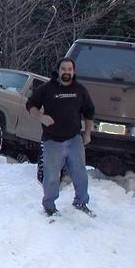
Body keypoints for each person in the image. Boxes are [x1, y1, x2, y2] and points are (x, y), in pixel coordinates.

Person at [26, 57, 95, 217]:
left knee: (80, 174)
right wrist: (41, 116)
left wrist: (87, 133)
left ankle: (81, 202)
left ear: (74, 71)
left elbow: (89, 111)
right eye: (64, 69)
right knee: (51, 177)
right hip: (52, 140)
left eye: (70, 69)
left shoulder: (80, 90)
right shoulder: (47, 89)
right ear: (58, 71)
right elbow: (30, 105)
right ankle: (49, 206)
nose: (67, 72)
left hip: (74, 139)